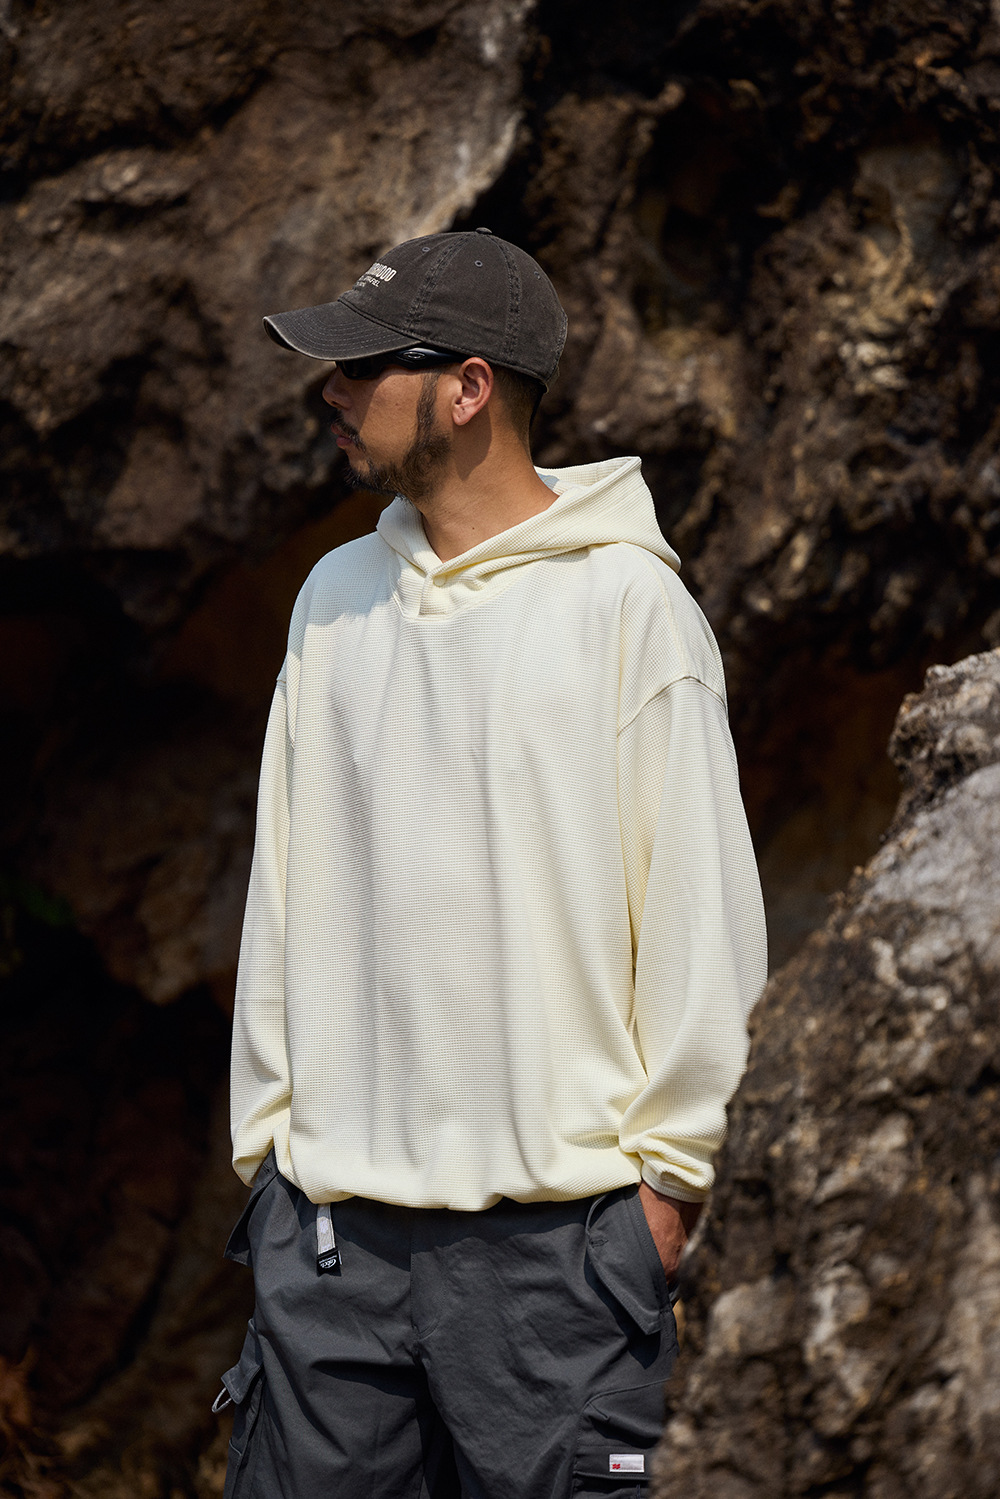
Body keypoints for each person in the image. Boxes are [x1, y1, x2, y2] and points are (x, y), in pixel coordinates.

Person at [216, 227, 767, 1499]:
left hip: (559, 1264)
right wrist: (270, 1166)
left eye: (365, 367)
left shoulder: (630, 608)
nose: (333, 391)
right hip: (332, 1252)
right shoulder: (334, 597)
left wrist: (670, 1194)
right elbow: (283, 896)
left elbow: (699, 916)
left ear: (467, 388)